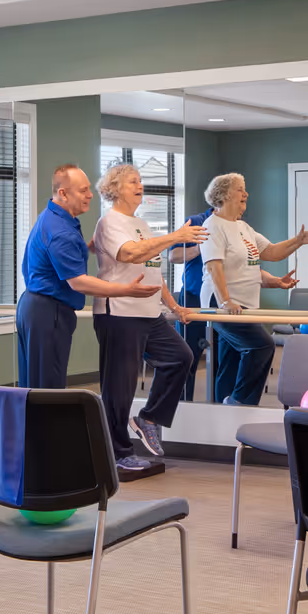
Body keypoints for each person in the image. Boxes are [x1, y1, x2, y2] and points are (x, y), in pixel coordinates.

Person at [91, 161, 207, 471]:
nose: (139, 185)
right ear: (114, 189)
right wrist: (175, 236)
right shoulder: (109, 222)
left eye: (140, 180)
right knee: (120, 387)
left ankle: (149, 418)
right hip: (119, 314)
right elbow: (130, 253)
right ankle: (118, 454)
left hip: (149, 313)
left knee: (181, 357)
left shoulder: (141, 223)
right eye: (132, 181)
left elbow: (154, 271)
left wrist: (174, 306)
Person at [17, 164, 162, 390]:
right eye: (83, 190)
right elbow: (79, 282)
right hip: (48, 312)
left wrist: (90, 247)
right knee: (47, 388)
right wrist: (126, 290)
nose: (90, 195)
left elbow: (58, 259)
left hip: (36, 306)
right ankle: (46, 416)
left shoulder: (56, 217)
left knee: (35, 384)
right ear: (63, 193)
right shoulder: (60, 230)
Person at [199, 172, 308, 406]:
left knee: (231, 360)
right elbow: (213, 266)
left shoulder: (243, 227)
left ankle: (223, 409)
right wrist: (225, 301)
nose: (246, 194)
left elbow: (271, 252)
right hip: (222, 303)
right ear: (224, 194)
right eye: (240, 189)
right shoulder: (212, 226)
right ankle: (240, 402)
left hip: (245, 304)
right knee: (262, 346)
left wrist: (297, 241)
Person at [170, 204, 212, 402]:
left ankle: (221, 407)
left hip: (221, 302)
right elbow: (174, 256)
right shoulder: (195, 223)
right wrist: (201, 247)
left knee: (221, 359)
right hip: (193, 298)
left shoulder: (238, 227)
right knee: (188, 357)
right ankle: (181, 405)